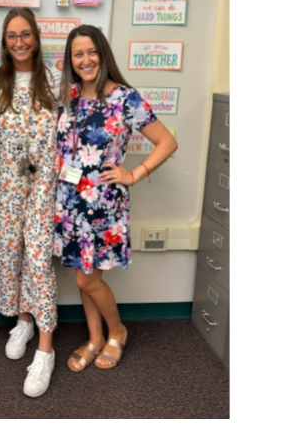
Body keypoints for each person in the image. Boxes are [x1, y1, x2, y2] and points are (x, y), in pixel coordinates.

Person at [55, 25, 178, 372]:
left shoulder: (125, 98)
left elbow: (167, 142)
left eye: (91, 52)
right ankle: (95, 338)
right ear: (70, 60)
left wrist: (133, 174)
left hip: (103, 206)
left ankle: (117, 330)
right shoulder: (69, 95)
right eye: (78, 54)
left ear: (103, 53)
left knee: (86, 279)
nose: (85, 60)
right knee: (84, 272)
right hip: (70, 204)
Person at [0, 8, 61, 397]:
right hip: (7, 186)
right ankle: (24, 320)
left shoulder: (57, 82)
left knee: (39, 259)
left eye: (26, 34)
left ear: (36, 37)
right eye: (12, 35)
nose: (19, 42)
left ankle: (45, 350)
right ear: (4, 40)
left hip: (44, 187)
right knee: (11, 253)